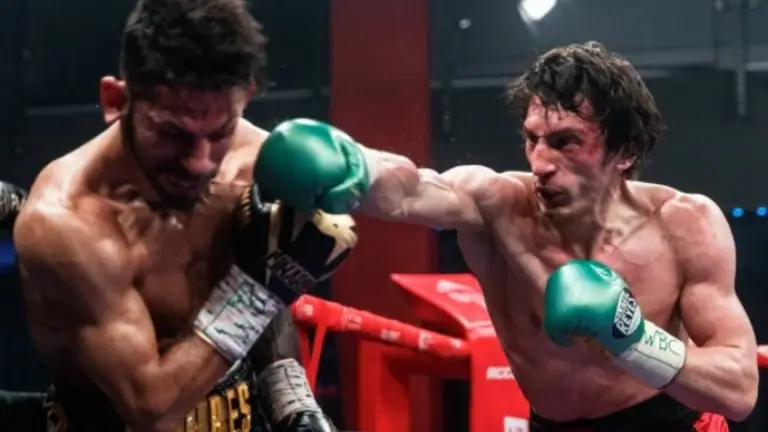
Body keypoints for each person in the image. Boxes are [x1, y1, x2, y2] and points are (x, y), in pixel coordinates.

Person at [251, 42, 758, 430]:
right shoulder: (498, 207)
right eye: (533, 139)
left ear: (624, 151)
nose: (541, 163)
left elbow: (739, 390)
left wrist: (633, 340)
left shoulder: (684, 224)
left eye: (566, 142)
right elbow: (412, 189)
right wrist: (355, 166)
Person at [13, 0, 353, 431]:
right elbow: (152, 411)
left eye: (219, 132)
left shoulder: (251, 160)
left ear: (244, 99)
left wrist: (292, 401)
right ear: (117, 101)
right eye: (172, 133)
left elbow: (412, 189)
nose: (199, 163)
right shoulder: (67, 221)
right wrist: (263, 287)